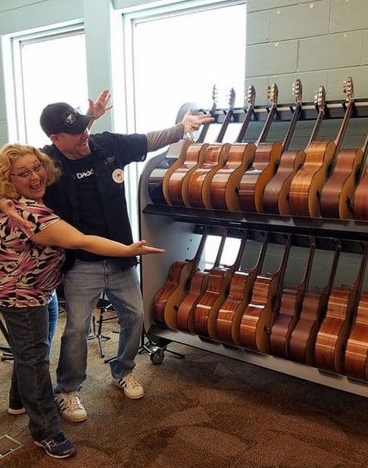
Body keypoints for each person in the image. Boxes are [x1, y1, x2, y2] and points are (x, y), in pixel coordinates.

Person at [1, 89, 213, 424]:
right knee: (76, 330)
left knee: (135, 316)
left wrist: (182, 128)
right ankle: (68, 390)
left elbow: (147, 140)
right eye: (76, 132)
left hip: (121, 258)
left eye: (86, 127)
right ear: (56, 140)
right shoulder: (45, 163)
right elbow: (11, 173)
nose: (85, 134)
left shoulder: (107, 145)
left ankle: (123, 370)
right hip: (79, 264)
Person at [0, 142, 164, 459]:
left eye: (37, 166)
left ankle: (18, 401)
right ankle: (46, 432)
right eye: (23, 173)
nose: (35, 176)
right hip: (24, 298)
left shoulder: (15, 202)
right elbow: (82, 240)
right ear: (9, 179)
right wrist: (129, 250)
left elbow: (72, 138)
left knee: (31, 352)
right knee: (35, 361)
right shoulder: (31, 214)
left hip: (39, 292)